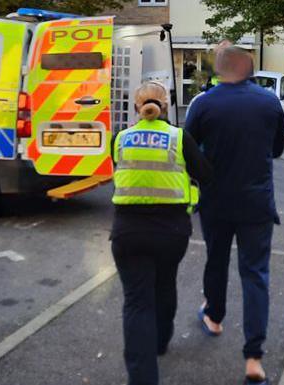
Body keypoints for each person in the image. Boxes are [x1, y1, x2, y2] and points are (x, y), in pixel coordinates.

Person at [185, 46, 284, 385]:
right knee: (255, 274)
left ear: (220, 70)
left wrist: (207, 173)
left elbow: (187, 150)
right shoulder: (269, 102)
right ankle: (254, 360)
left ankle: (214, 317)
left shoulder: (203, 104)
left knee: (216, 259)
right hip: (257, 204)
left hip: (216, 203)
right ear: (250, 69)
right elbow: (276, 149)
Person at [111, 82, 212, 385]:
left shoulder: (120, 138)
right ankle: (161, 341)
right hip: (171, 232)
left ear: (135, 109)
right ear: (167, 107)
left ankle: (142, 377)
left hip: (128, 232)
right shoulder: (180, 138)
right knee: (165, 283)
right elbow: (206, 175)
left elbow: (119, 169)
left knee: (137, 302)